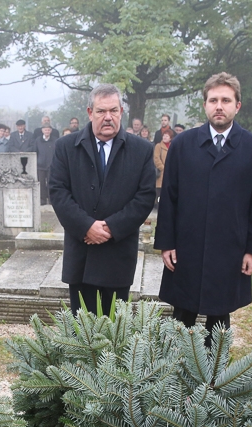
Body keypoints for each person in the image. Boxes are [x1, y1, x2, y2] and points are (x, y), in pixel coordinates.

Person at [154, 72, 252, 344]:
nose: (219, 106)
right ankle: (174, 365)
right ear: (205, 105)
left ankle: (215, 368)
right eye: (213, 100)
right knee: (182, 316)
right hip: (187, 245)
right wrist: (166, 243)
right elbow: (169, 196)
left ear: (237, 105)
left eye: (226, 100)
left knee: (219, 317)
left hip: (230, 246)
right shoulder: (182, 145)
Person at [49, 83, 156, 313]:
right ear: (90, 113)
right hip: (82, 254)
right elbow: (58, 192)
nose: (108, 117)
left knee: (115, 327)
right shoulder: (66, 147)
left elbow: (145, 197)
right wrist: (86, 226)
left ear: (121, 112)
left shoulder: (142, 150)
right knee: (82, 328)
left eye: (113, 110)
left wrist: (110, 227)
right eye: (101, 111)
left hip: (118, 254)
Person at [35, 125, 57, 205]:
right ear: (42, 130)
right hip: (40, 166)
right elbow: (35, 151)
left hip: (51, 166)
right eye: (45, 130)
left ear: (51, 131)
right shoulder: (38, 140)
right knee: (41, 183)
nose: (47, 131)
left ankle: (51, 200)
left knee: (51, 183)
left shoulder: (55, 140)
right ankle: (42, 200)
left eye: (48, 130)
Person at [153, 128, 173, 207]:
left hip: (170, 172)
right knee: (158, 191)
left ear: (170, 138)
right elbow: (156, 158)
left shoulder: (172, 146)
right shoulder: (158, 146)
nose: (165, 137)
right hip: (161, 172)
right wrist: (163, 168)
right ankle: (157, 205)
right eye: (164, 135)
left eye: (167, 136)